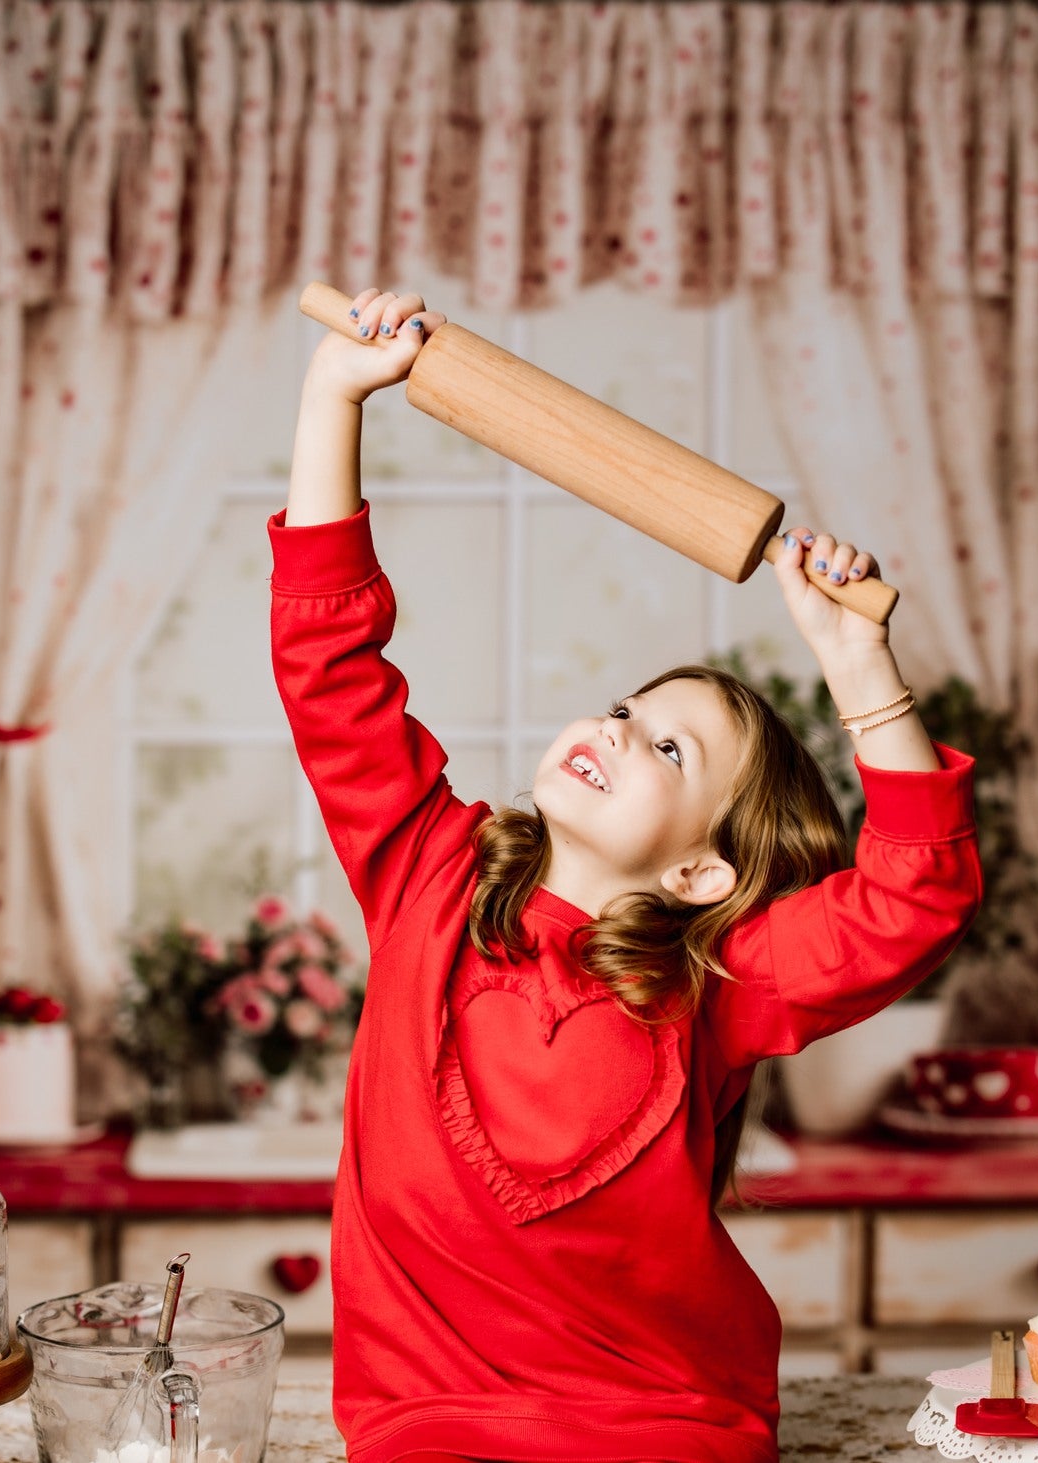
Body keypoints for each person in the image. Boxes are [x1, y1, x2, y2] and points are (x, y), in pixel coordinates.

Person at [272, 287, 982, 1463]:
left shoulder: (719, 978)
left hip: (665, 1427)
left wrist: (861, 665)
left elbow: (914, 894)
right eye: (623, 707)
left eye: (667, 747)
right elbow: (327, 664)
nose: (614, 726)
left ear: (703, 869)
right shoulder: (425, 873)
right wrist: (330, 397)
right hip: (424, 1429)